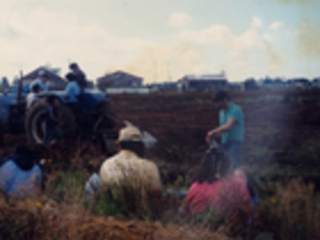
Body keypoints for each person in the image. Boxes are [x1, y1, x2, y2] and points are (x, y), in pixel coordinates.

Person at [99, 125, 162, 215]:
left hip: (114, 215)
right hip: (142, 217)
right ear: (141, 147)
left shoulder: (106, 164)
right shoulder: (150, 167)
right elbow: (156, 197)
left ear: (120, 145)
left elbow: (104, 194)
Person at [185, 149, 252, 224]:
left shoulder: (194, 187)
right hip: (233, 232)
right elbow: (247, 211)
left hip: (199, 232)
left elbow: (188, 211)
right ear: (227, 165)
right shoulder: (238, 183)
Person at [206, 90, 244, 169]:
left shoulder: (236, 110)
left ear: (224, 99)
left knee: (233, 166)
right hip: (224, 144)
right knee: (224, 168)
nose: (217, 105)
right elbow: (222, 130)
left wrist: (212, 132)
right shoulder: (221, 113)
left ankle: (238, 181)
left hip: (235, 144)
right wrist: (213, 137)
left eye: (218, 102)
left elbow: (228, 126)